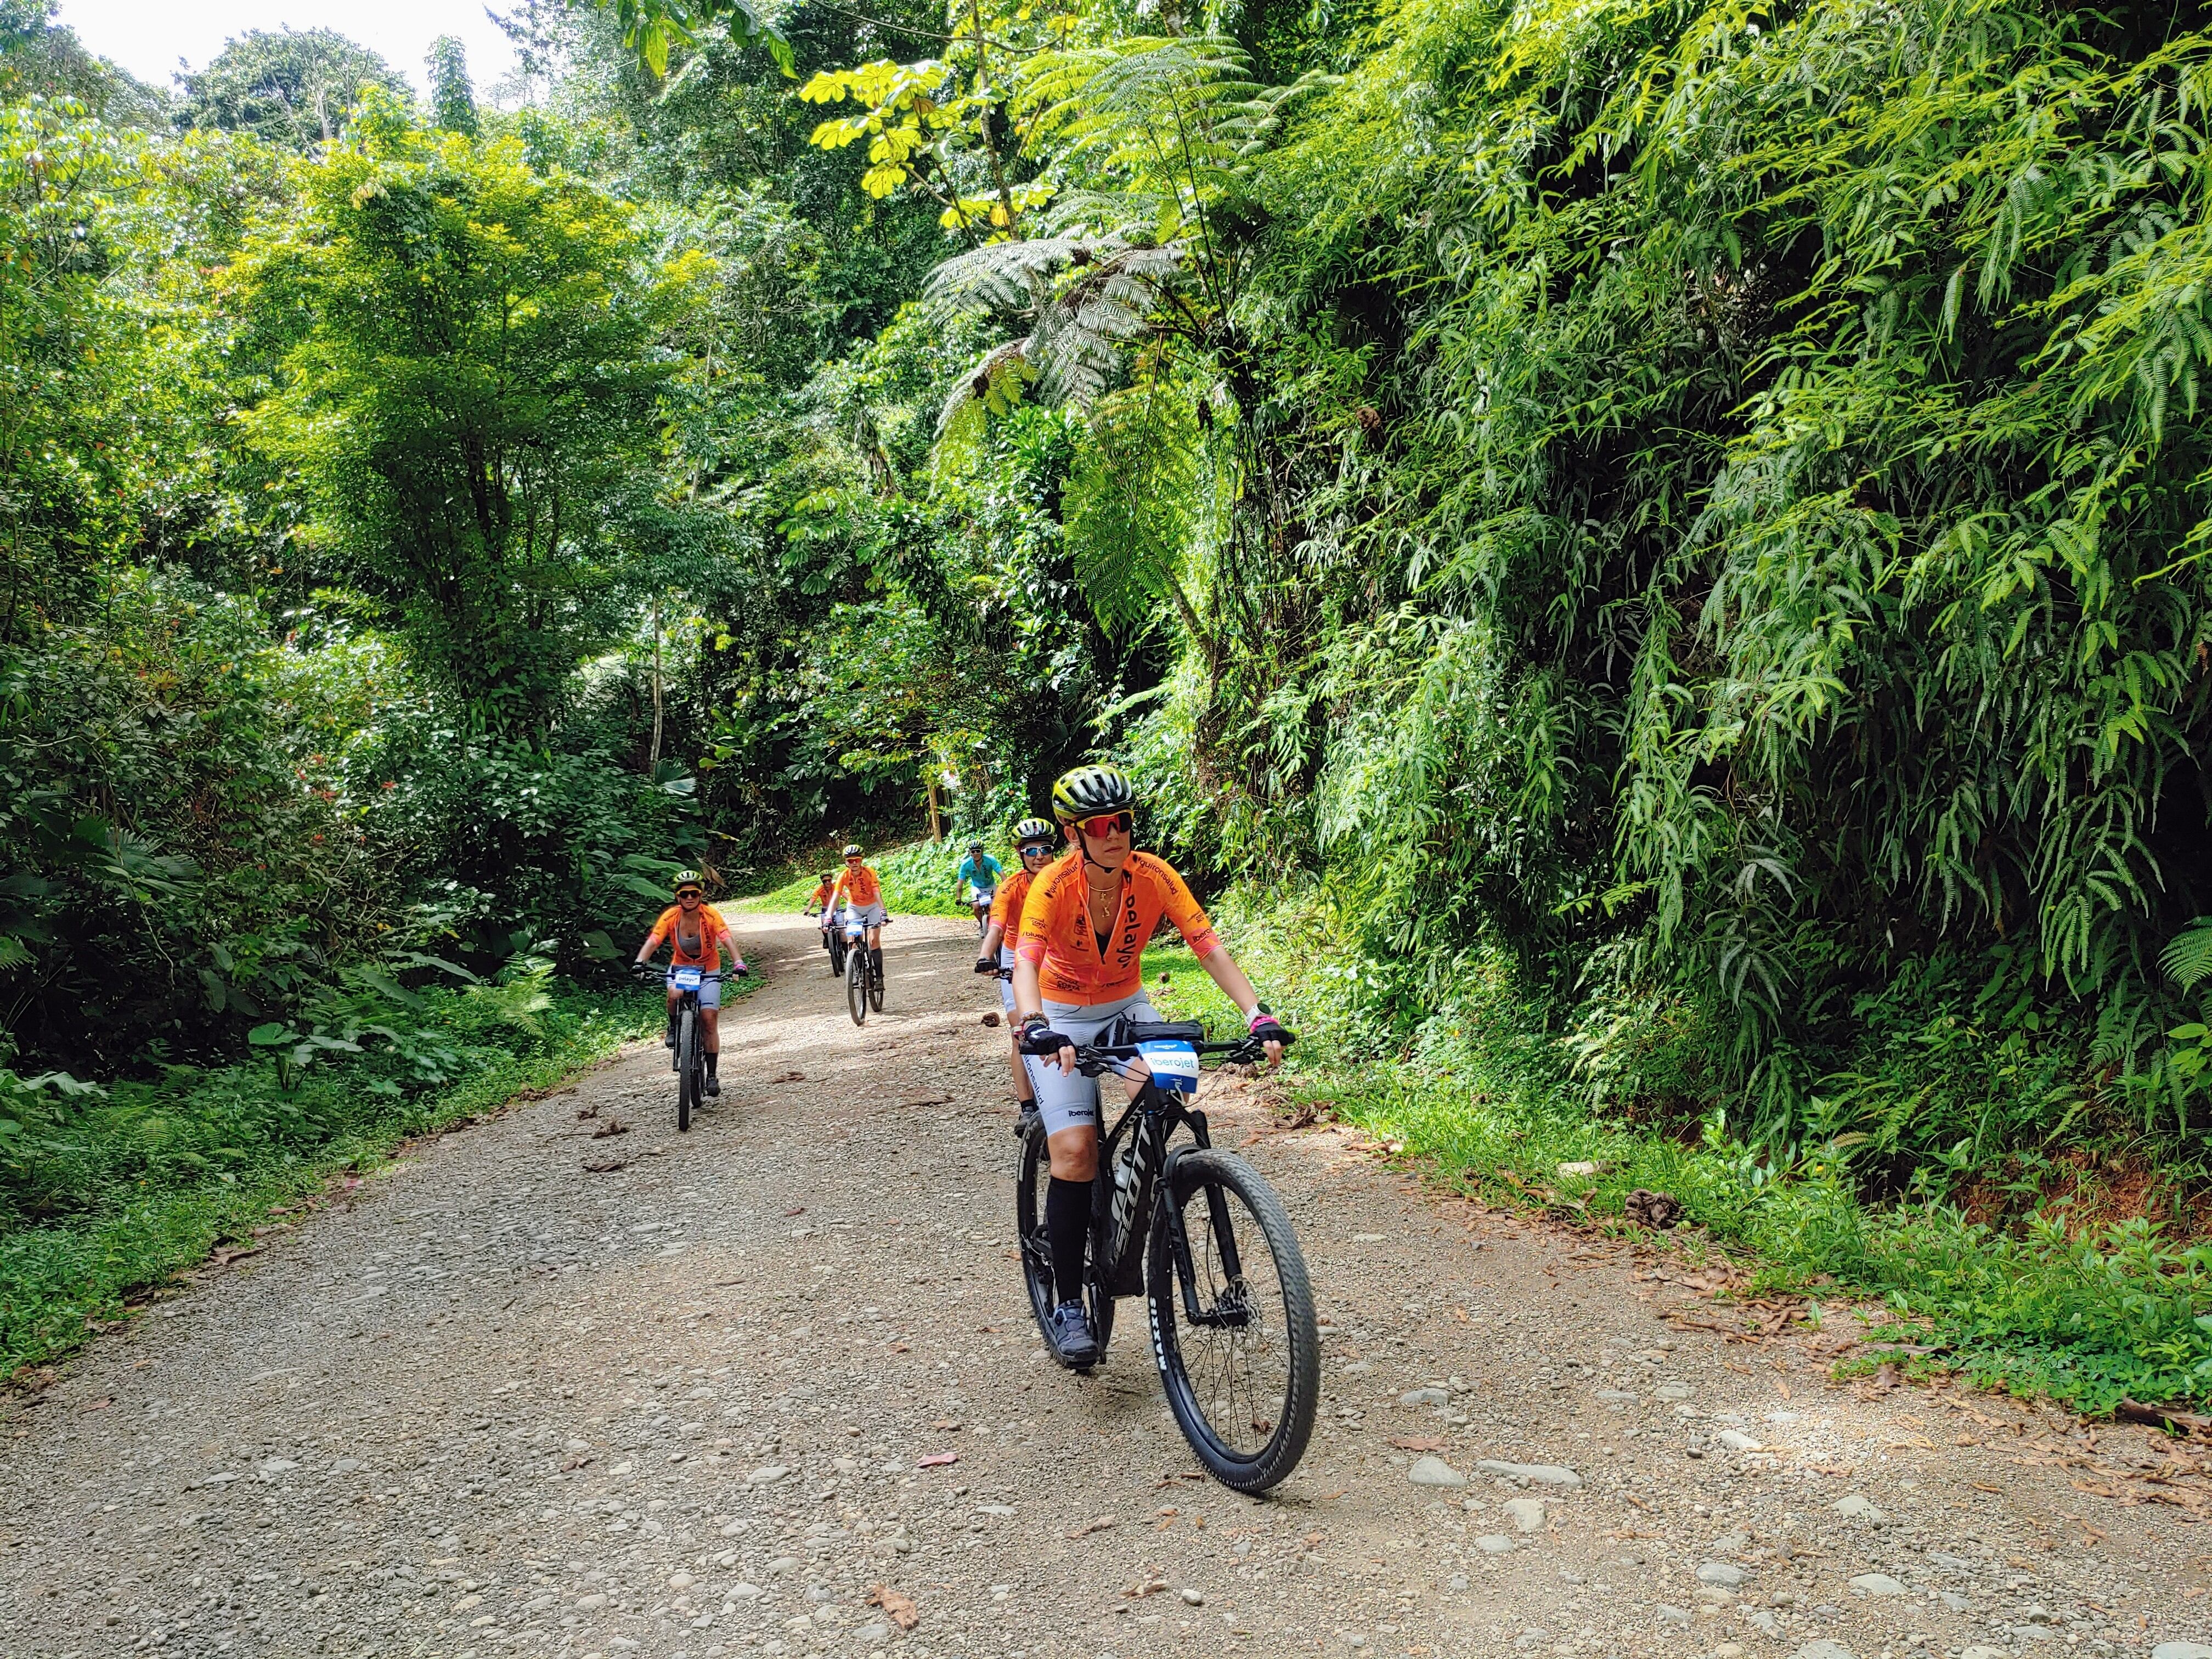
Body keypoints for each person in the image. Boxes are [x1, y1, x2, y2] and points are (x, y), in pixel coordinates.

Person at [1011, 765, 1287, 1365]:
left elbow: (1206, 944)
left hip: (1130, 1006)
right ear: (1072, 833)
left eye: (1124, 822)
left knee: (1170, 1088)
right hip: (1063, 1015)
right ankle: (1069, 1304)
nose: (1116, 834)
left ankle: (1140, 1207)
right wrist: (1034, 1023)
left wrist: (1256, 1014)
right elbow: (1026, 960)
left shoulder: (1153, 874)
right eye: (1102, 826)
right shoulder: (1053, 884)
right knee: (1077, 1153)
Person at [635, 870, 748, 1097]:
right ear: (677, 896)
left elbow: (726, 937)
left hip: (709, 969)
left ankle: (712, 1075)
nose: (689, 898)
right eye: (684, 894)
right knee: (674, 995)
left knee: (708, 1019)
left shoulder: (710, 915)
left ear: (700, 895)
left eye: (694, 893)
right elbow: (654, 940)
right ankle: (674, 1026)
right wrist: (640, 962)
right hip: (682, 968)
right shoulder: (670, 917)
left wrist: (738, 962)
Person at [974, 817, 1059, 1119]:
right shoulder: (1011, 887)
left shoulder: (1067, 879)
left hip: (1056, 952)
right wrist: (987, 955)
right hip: (1015, 952)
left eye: (1045, 849)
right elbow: (996, 926)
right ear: (1021, 855)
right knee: (1021, 1031)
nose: (1039, 856)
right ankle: (1027, 1106)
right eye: (1031, 850)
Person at [827, 843, 887, 985]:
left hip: (873, 907)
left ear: (861, 860)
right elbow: (835, 898)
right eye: (850, 861)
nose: (854, 863)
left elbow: (877, 893)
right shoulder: (843, 876)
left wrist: (883, 912)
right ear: (846, 862)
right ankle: (856, 971)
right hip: (854, 908)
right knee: (854, 940)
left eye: (857, 860)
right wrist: (829, 918)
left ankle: (879, 977)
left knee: (873, 941)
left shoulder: (869, 872)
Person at [954, 839, 1003, 931]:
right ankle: (982, 925)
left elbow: (1002, 875)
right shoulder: (966, 864)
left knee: (995, 907)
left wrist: (1006, 889)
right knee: (976, 906)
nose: (976, 853)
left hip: (991, 886)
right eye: (973, 851)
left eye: (978, 851)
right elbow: (960, 882)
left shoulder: (990, 860)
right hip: (977, 887)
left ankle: (997, 925)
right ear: (970, 853)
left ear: (982, 851)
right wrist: (958, 898)